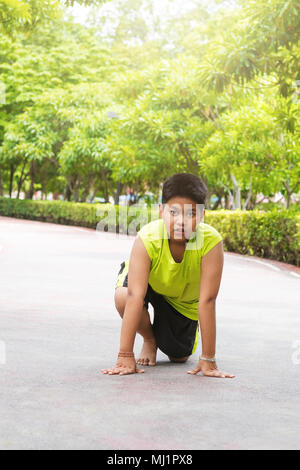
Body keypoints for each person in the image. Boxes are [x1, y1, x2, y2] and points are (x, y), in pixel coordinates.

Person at [102, 173, 235, 378]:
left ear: (202, 215)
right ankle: (149, 339)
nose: (181, 221)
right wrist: (124, 355)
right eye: (173, 212)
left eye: (191, 214)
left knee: (178, 355)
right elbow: (135, 295)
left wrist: (208, 359)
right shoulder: (148, 237)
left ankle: (167, 337)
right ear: (160, 211)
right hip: (148, 283)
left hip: (181, 300)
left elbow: (208, 300)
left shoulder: (210, 243)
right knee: (124, 296)